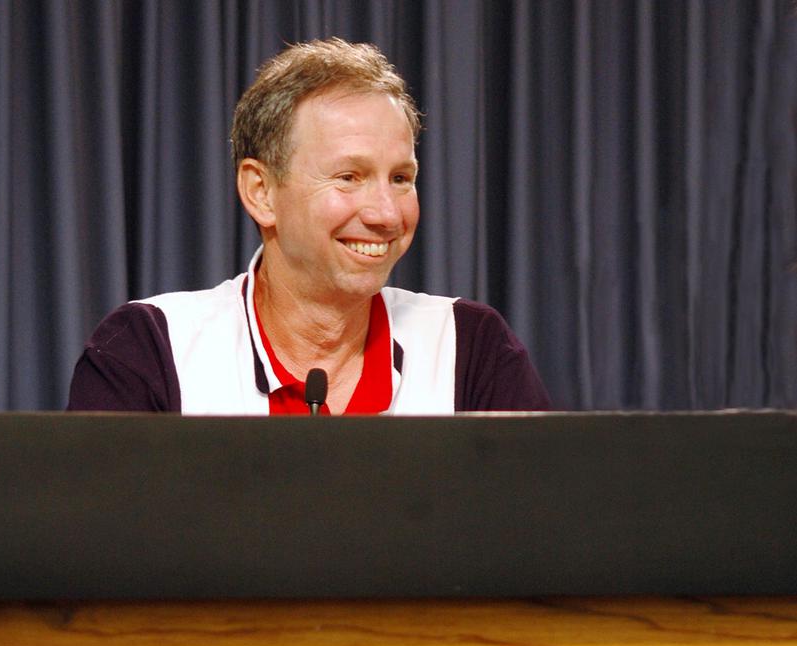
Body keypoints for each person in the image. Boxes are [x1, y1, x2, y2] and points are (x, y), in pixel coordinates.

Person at [67, 37, 550, 415]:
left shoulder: (473, 347)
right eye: (349, 177)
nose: (385, 213)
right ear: (261, 191)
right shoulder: (146, 350)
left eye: (401, 178)